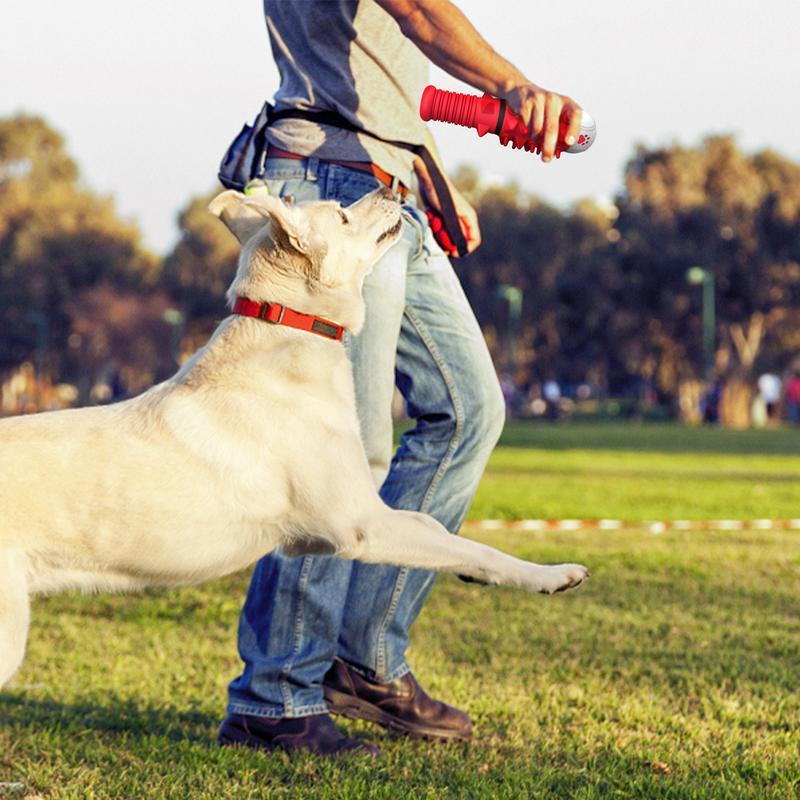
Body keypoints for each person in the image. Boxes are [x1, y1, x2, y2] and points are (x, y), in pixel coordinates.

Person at [218, 0, 585, 757]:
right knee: (341, 456)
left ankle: (363, 660)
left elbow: (377, 68)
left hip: (388, 185)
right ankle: (276, 697)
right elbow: (417, 10)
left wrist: (431, 174)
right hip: (329, 187)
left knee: (468, 410)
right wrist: (513, 87)